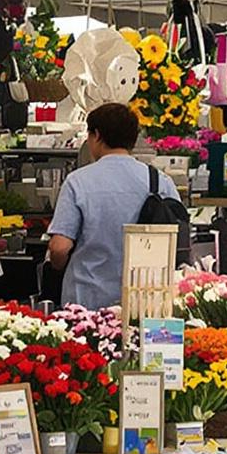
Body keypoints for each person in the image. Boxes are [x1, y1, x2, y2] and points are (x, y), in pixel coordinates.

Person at [46, 102, 180, 310]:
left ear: (96, 135)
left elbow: (59, 247)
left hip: (86, 301)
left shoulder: (78, 181)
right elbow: (178, 239)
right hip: (146, 301)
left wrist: (56, 266)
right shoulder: (160, 181)